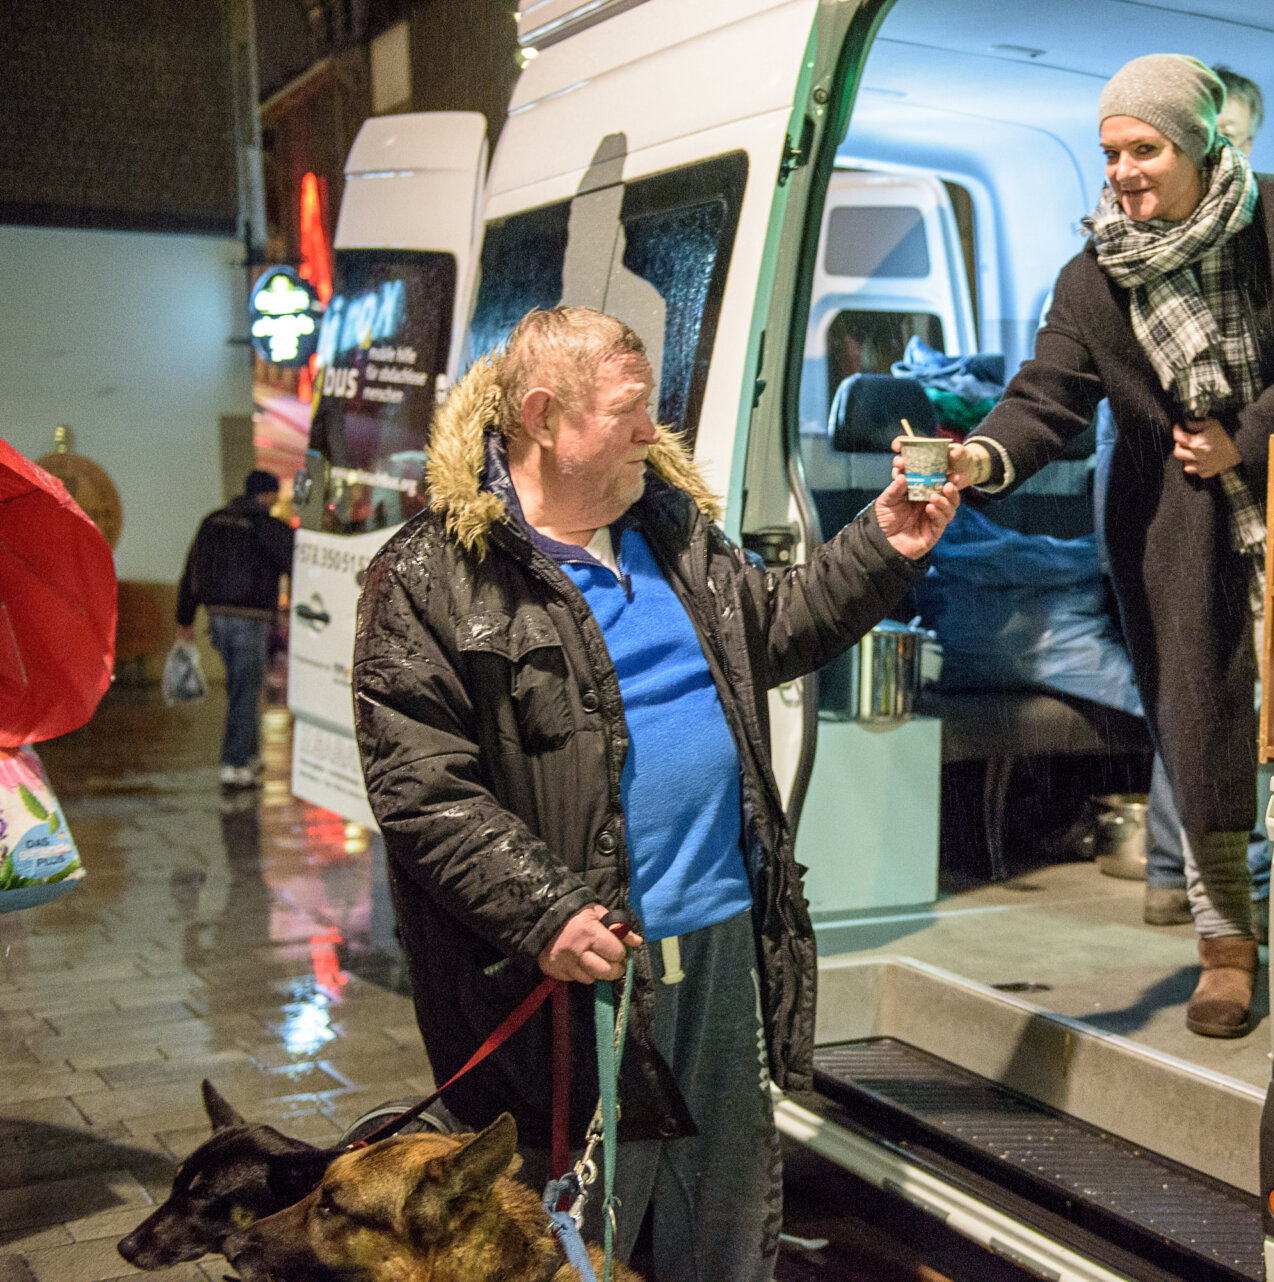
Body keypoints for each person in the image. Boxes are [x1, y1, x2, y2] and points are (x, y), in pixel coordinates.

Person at [351, 306, 959, 1281]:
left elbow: (774, 624)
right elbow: (423, 790)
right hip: (571, 976)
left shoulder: (674, 535)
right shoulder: (428, 578)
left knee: (722, 1207)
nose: (653, 432)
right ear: (544, 416)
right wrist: (543, 909)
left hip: (718, 939)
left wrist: (883, 542)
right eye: (631, 411)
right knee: (576, 1231)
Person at [949, 55, 1274, 1038]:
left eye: (1144, 148)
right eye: (1110, 151)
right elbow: (1046, 399)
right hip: (1171, 521)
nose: (1123, 170)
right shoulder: (1094, 275)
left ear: (1198, 145)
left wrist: (1249, 431)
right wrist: (981, 459)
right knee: (1197, 729)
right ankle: (1225, 948)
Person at [1138, 61, 1274, 934]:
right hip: (1175, 500)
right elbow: (1056, 386)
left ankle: (1186, 875)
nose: (1234, 152)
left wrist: (1246, 433)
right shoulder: (1116, 254)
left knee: (1228, 690)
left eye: (1243, 138)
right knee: (1194, 683)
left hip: (1257, 494)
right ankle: (1203, 888)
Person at [176, 469, 293, 788]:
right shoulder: (268, 527)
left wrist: (184, 620)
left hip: (217, 619)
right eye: (275, 494)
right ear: (265, 495)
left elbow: (191, 570)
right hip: (248, 618)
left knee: (241, 688)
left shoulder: (213, 522)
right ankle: (235, 763)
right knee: (245, 691)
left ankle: (249, 758)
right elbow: (293, 560)